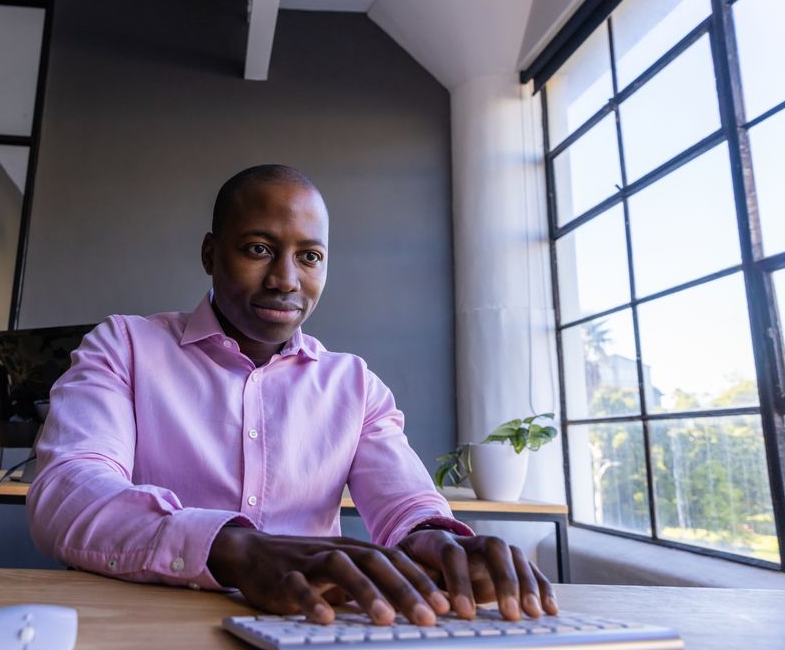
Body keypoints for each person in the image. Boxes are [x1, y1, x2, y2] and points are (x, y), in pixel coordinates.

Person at [28, 164, 558, 627]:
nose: (286, 279)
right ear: (211, 254)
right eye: (259, 249)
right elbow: (67, 491)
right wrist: (234, 549)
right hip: (143, 626)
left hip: (315, 625)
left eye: (310, 256)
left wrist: (435, 539)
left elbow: (406, 503)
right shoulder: (125, 346)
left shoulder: (353, 385)